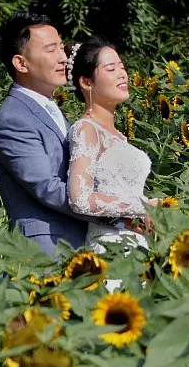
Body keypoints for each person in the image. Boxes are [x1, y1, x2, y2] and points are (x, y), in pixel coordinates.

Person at [0, 10, 88, 255]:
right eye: (50, 49)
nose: (63, 58)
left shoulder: (50, 108)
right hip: (46, 250)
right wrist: (113, 213)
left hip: (75, 243)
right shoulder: (14, 117)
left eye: (61, 48)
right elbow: (47, 187)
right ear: (20, 63)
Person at [64, 36, 155, 251]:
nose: (122, 74)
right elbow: (80, 199)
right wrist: (143, 207)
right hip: (110, 246)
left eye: (122, 67)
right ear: (86, 82)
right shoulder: (86, 129)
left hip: (135, 241)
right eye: (111, 68)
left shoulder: (118, 136)